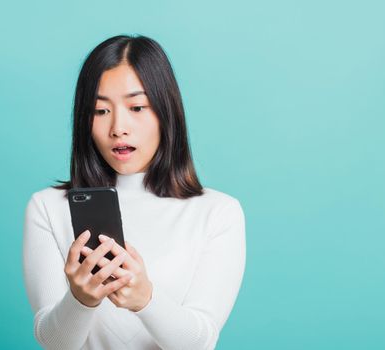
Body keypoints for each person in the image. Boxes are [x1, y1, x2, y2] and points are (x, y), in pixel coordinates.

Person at [22, 34, 246, 350]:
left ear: (166, 112)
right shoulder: (47, 207)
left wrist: (145, 299)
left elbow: (200, 342)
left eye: (137, 107)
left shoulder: (218, 212)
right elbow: (54, 343)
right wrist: (80, 299)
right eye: (100, 111)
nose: (118, 127)